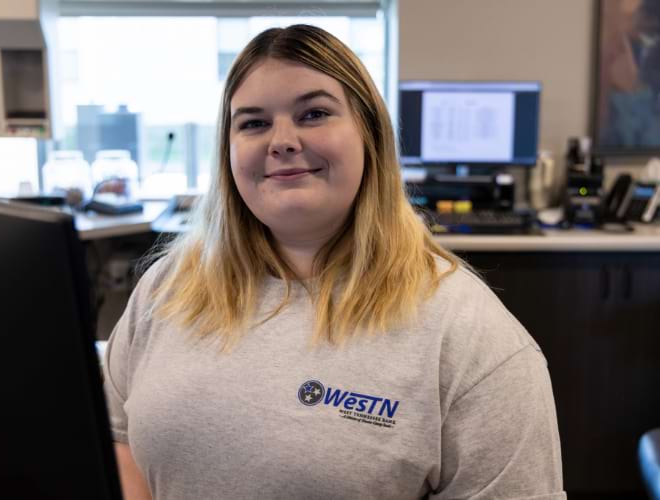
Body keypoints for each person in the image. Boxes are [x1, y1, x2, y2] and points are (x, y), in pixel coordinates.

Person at [103, 24, 566, 500]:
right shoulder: (168, 290)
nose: (280, 140)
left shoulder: (469, 335)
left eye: (315, 113)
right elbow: (119, 445)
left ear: (370, 135)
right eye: (253, 123)